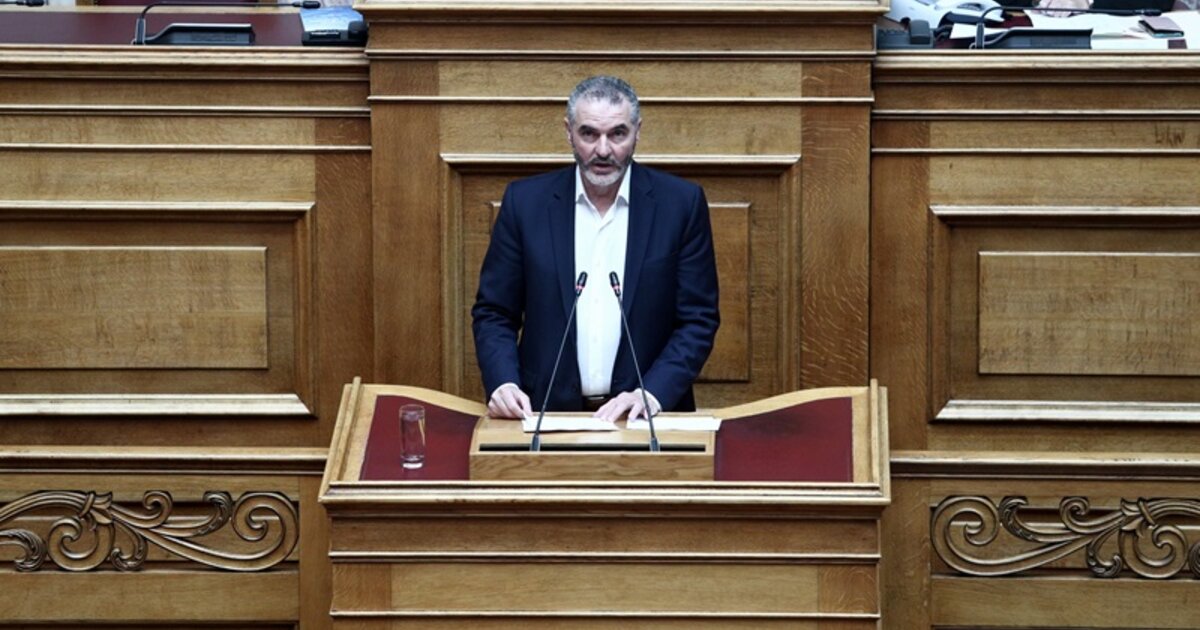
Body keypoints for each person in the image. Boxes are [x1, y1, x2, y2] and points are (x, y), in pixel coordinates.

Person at [471, 75, 720, 423]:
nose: (603, 150)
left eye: (617, 134)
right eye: (589, 134)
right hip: (544, 415)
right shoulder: (525, 203)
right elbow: (495, 312)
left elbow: (698, 318)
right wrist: (503, 382)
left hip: (645, 421)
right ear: (569, 132)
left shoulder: (680, 204)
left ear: (637, 132)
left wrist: (652, 393)